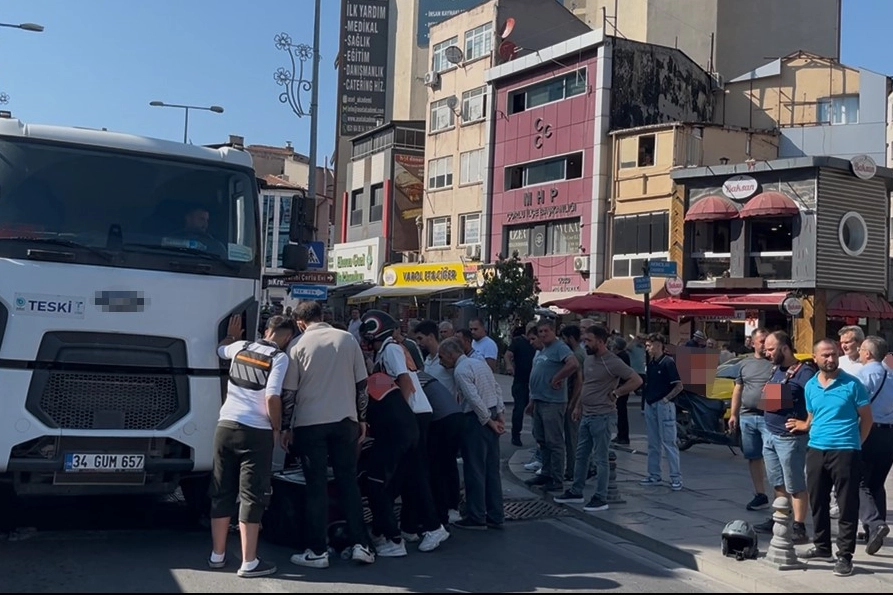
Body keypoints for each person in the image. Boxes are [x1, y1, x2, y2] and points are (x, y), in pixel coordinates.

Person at [283, 300, 376, 569]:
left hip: (310, 423)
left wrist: (286, 427)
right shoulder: (347, 339)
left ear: (300, 323)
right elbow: (362, 384)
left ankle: (317, 550)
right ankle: (361, 544)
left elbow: (289, 393)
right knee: (348, 483)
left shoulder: (297, 345)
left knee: (316, 487)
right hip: (345, 420)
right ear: (322, 315)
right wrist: (362, 418)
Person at [209, 314, 293, 578]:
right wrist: (276, 428)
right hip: (255, 431)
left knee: (221, 490)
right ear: (287, 338)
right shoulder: (279, 358)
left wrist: (231, 336)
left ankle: (217, 555)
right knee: (251, 495)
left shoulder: (240, 347)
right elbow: (272, 396)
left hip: (225, 426)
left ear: (266, 331)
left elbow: (220, 349)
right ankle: (249, 561)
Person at [361, 310, 450, 555]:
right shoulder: (390, 349)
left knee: (414, 474)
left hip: (412, 414)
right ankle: (406, 525)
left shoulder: (390, 349)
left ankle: (432, 526)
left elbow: (405, 383)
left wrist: (400, 414)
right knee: (405, 474)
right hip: (413, 414)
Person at [789, 339, 873, 577]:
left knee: (846, 505)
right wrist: (804, 425)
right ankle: (822, 546)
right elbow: (812, 415)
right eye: (825, 355)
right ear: (815, 358)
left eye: (834, 354)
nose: (831, 359)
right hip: (816, 449)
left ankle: (845, 555)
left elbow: (867, 419)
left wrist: (856, 443)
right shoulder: (810, 386)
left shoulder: (852, 384)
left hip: (845, 451)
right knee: (817, 501)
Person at [555, 326, 641, 511]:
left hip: (603, 415)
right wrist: (578, 406)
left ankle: (600, 497)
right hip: (587, 414)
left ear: (601, 342)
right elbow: (586, 384)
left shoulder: (613, 361)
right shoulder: (588, 359)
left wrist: (617, 392)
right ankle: (576, 491)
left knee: (601, 458)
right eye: (584, 340)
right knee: (581, 455)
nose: (585, 344)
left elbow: (636, 380)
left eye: (589, 340)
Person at [438, 337, 506, 530]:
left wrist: (489, 421)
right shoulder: (480, 363)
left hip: (476, 419)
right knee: (491, 469)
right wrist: (499, 415)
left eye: (442, 357)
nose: (441, 362)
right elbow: (496, 388)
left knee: (475, 469)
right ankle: (495, 514)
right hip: (491, 412)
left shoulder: (460, 370)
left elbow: (473, 399)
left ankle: (476, 515)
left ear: (451, 355)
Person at [753, 331, 814, 544]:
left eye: (771, 349)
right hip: (770, 434)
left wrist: (806, 424)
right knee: (777, 482)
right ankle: (779, 518)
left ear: (785, 348)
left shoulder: (804, 372)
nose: (767, 353)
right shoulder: (777, 370)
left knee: (795, 484)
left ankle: (799, 527)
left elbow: (818, 400)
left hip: (790, 439)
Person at [524, 320, 579, 492]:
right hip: (539, 400)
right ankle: (546, 473)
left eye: (545, 331)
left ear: (553, 331)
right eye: (540, 331)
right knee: (542, 439)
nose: (542, 334)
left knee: (554, 441)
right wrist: (532, 401)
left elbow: (573, 364)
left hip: (552, 402)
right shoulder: (544, 350)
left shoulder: (559, 347)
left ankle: (556, 478)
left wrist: (558, 377)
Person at [727, 328, 774, 512]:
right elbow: (738, 389)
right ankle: (760, 494)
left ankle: (779, 496)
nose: (765, 344)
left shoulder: (775, 362)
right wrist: (733, 414)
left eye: (767, 340)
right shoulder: (745, 364)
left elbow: (781, 387)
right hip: (747, 416)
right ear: (753, 343)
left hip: (769, 417)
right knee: (753, 457)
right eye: (762, 341)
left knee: (772, 457)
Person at [856, 336, 893, 555]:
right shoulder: (891, 375)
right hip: (889, 433)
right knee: (877, 483)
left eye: (861, 349)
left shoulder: (864, 375)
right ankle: (874, 530)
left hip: (869, 431)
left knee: (859, 481)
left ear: (868, 353)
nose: (859, 353)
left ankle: (874, 523)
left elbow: (855, 404)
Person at [640, 333, 684, 490]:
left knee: (669, 442)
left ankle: (676, 477)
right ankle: (654, 474)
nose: (647, 348)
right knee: (653, 442)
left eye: (649, 345)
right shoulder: (651, 363)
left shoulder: (668, 363)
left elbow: (678, 385)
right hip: (651, 403)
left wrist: (666, 399)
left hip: (663, 405)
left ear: (658, 345)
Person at [504, 324, 537, 447]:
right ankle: (515, 435)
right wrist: (509, 365)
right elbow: (508, 354)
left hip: (534, 382)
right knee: (519, 409)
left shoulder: (538, 343)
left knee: (535, 410)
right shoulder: (518, 341)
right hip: (520, 381)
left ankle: (538, 436)